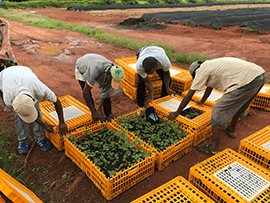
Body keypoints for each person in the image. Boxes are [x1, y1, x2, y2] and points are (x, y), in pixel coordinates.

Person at [168, 57, 266, 155]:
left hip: (246, 81)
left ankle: (214, 148)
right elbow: (209, 87)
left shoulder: (201, 71)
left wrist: (176, 113)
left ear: (195, 73)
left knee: (218, 110)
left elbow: (189, 95)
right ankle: (231, 130)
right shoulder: (210, 66)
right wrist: (202, 101)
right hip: (259, 75)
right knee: (240, 104)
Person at [0, 66, 68, 154]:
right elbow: (25, 112)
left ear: (33, 100)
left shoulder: (39, 88)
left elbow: (56, 102)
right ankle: (23, 140)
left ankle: (40, 137)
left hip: (24, 72)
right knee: (19, 116)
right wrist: (44, 124)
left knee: (37, 111)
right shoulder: (8, 98)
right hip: (5, 76)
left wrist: (62, 122)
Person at [75, 54, 125, 122]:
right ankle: (93, 112)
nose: (111, 82)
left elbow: (105, 91)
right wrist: (94, 111)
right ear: (108, 74)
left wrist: (99, 108)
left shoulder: (114, 69)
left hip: (95, 63)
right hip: (82, 67)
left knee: (107, 89)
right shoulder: (95, 70)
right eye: (111, 80)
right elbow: (85, 92)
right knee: (87, 90)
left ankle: (107, 114)